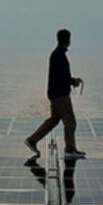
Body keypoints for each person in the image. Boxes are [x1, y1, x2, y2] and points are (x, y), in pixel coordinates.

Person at [25, 28, 85, 160]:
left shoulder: (57, 54)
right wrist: (73, 81)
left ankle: (32, 140)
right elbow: (63, 77)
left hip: (54, 93)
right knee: (70, 121)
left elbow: (61, 76)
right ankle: (70, 149)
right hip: (60, 95)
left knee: (54, 120)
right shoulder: (59, 56)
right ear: (68, 40)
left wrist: (71, 81)